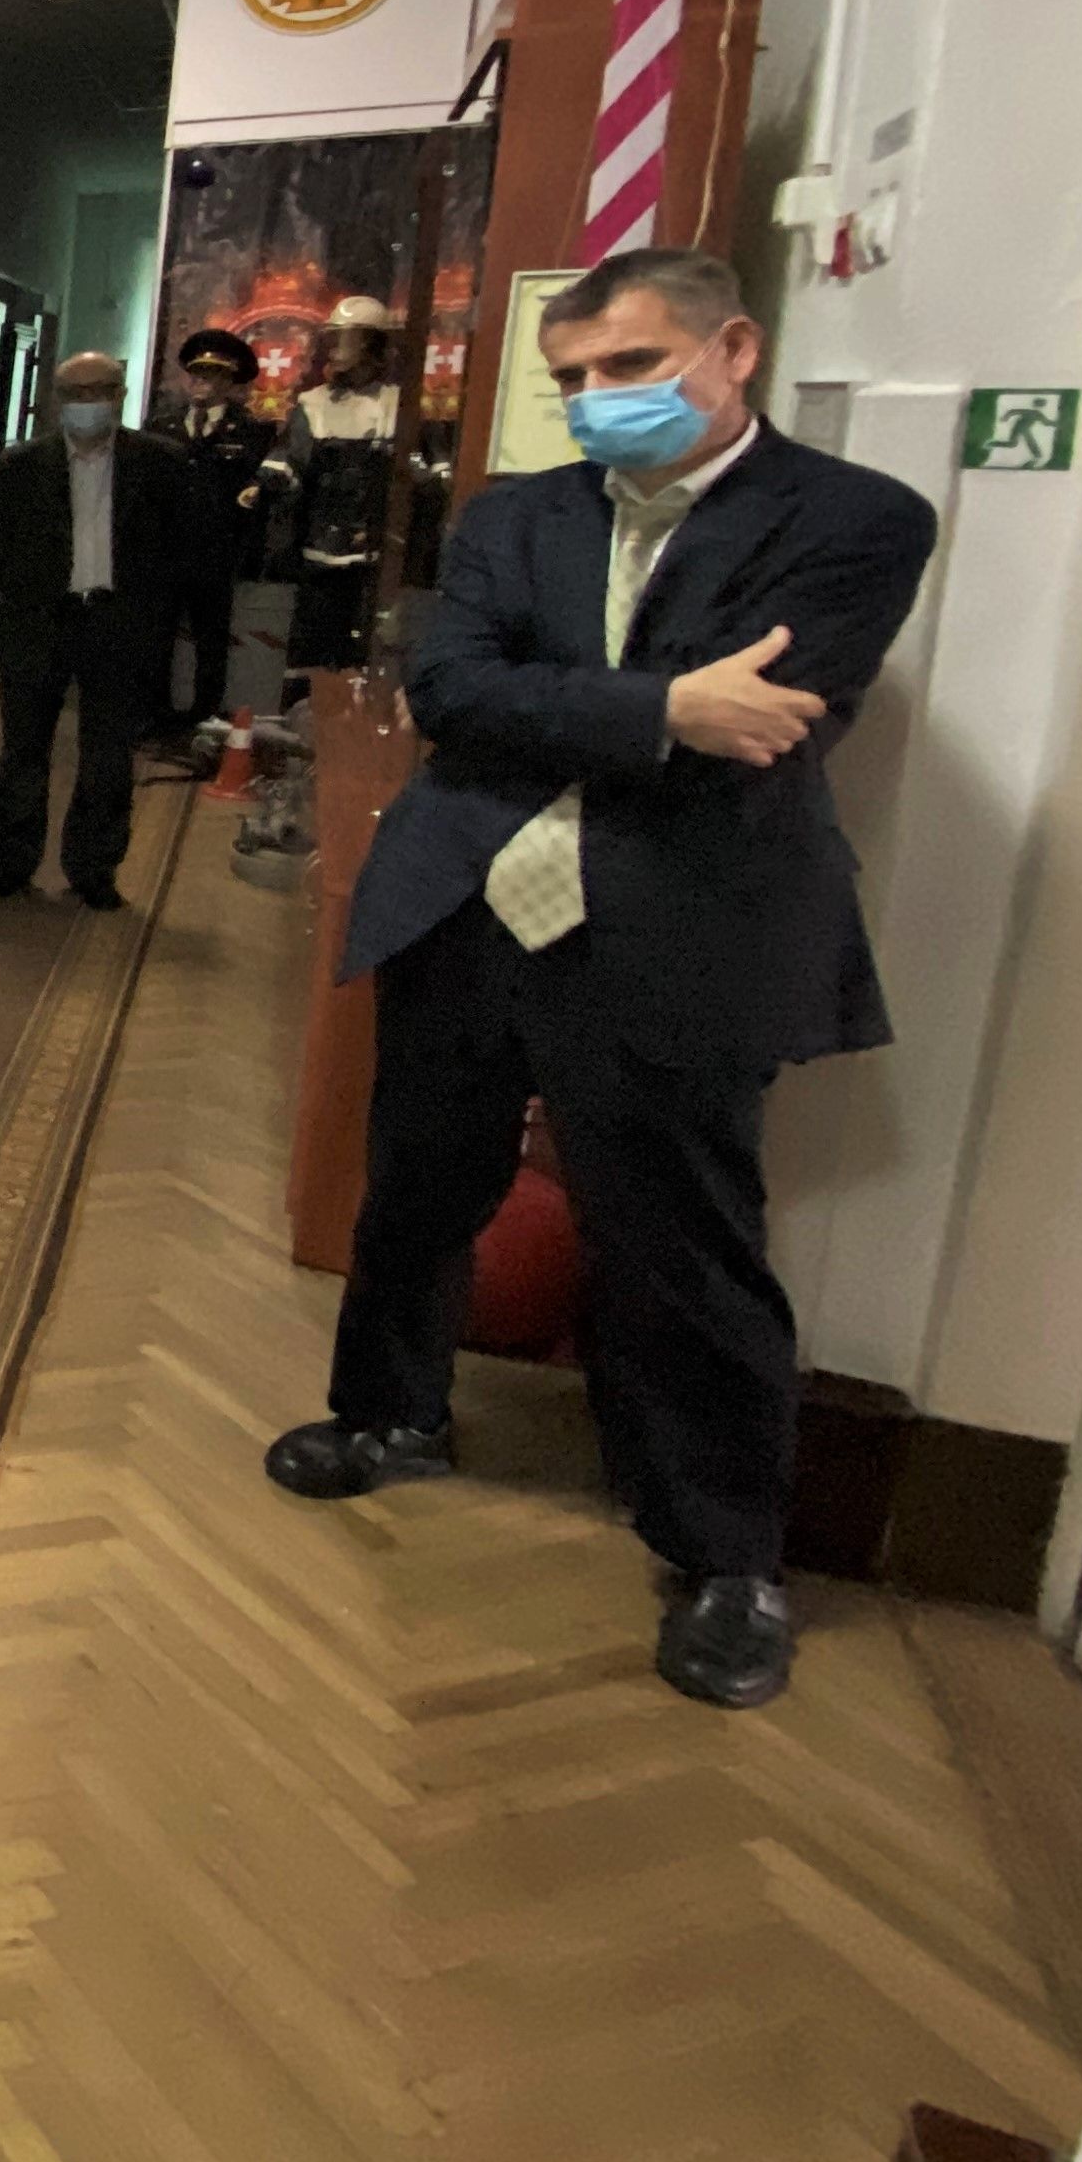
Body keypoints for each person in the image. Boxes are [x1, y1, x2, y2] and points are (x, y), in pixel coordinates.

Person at [262, 250, 937, 1711]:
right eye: (572, 378)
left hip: (677, 922)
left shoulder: (856, 519)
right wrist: (665, 706)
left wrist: (584, 707)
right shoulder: (517, 517)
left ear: (733, 350)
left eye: (630, 366)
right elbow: (452, 691)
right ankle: (388, 1413)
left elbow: (772, 725)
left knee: (682, 1241)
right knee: (417, 1188)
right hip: (469, 902)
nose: (596, 400)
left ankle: (725, 1554)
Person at [0, 351, 192, 910]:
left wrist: (153, 610)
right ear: (57, 400)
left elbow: (182, 547)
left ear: (119, 395)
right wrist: (30, 589)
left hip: (118, 623)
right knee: (23, 751)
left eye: (99, 391)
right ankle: (12, 861)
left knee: (108, 756)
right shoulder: (20, 465)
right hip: (40, 621)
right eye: (74, 393)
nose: (87, 403)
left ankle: (94, 868)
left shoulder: (159, 465)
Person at [144, 327, 276, 744]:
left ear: (229, 380)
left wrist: (248, 552)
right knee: (157, 638)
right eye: (195, 372)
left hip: (216, 554)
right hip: (165, 552)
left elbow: (256, 499)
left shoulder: (251, 433)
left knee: (211, 640)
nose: (200, 381)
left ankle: (203, 718)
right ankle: (156, 717)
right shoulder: (162, 427)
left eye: (212, 374)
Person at [281, 297, 400, 673]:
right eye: (331, 337)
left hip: (376, 548)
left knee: (367, 646)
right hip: (320, 543)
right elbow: (292, 460)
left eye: (344, 337)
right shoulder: (313, 403)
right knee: (314, 639)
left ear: (371, 343)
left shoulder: (398, 404)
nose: (333, 347)